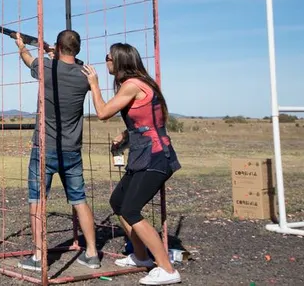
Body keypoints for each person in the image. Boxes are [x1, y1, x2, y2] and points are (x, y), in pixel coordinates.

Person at [80, 43, 182, 285]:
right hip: (144, 155)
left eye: (108, 57)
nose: (105, 61)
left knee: (131, 210)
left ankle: (167, 270)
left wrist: (93, 85)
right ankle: (141, 256)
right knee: (118, 202)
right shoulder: (138, 84)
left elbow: (103, 113)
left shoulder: (132, 85)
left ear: (118, 60)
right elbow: (146, 120)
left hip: (156, 157)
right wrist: (125, 136)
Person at [14, 29, 101, 272]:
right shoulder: (85, 75)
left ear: (58, 48)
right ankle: (92, 253)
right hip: (72, 150)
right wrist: (54, 54)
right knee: (79, 200)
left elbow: (27, 59)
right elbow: (71, 65)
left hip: (45, 147)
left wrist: (21, 45)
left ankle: (39, 256)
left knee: (37, 201)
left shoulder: (47, 68)